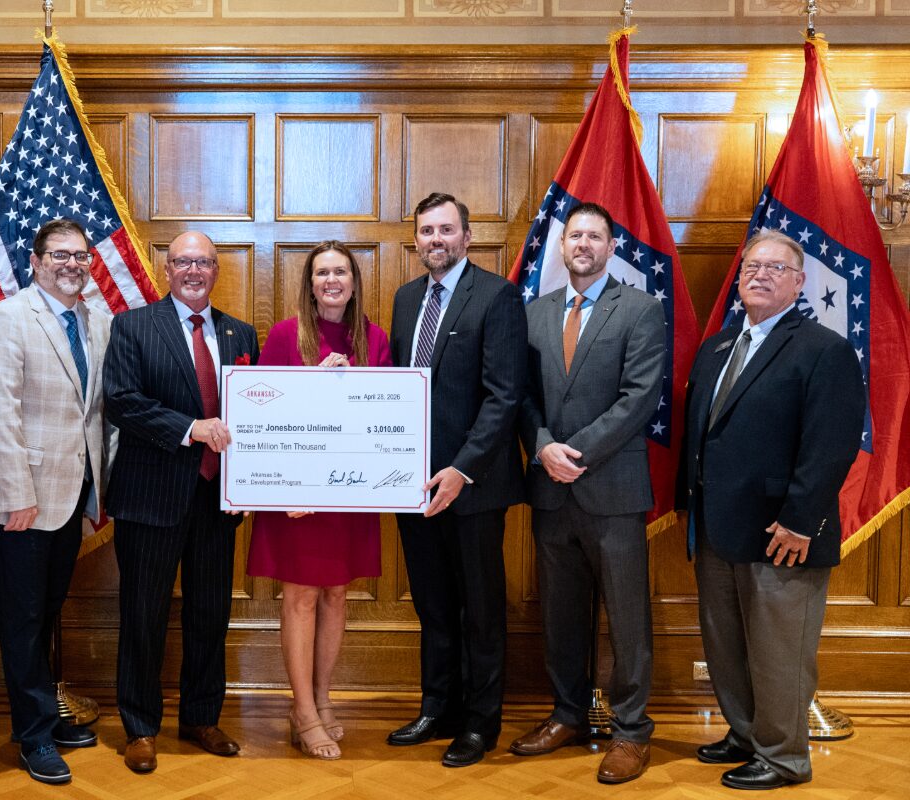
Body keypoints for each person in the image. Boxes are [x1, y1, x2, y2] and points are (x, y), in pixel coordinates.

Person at [678, 229, 864, 791]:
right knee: (727, 647)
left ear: (800, 282)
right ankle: (745, 734)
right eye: (752, 267)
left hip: (784, 532)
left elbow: (831, 443)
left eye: (775, 268)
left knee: (780, 652)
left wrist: (803, 520)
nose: (759, 275)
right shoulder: (716, 348)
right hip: (716, 528)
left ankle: (784, 757)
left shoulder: (823, 349)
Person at [511, 202, 665, 784]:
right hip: (550, 490)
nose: (583, 244)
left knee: (628, 618)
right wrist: (543, 445)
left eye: (595, 236)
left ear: (611, 246)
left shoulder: (642, 310)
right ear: (562, 245)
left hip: (613, 489)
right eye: (574, 234)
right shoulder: (535, 313)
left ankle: (630, 731)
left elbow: (639, 398)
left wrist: (573, 453)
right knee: (561, 614)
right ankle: (568, 715)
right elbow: (520, 397)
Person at [103, 231, 260, 774]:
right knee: (143, 613)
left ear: (217, 270)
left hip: (218, 499)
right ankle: (140, 726)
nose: (194, 271)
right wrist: (190, 428)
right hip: (150, 497)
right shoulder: (133, 326)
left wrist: (251, 484)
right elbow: (122, 403)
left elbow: (256, 419)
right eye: (183, 262)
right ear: (166, 269)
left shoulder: (241, 333)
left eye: (204, 263)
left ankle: (200, 716)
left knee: (209, 613)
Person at [386, 192, 528, 767]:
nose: (435, 240)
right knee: (433, 604)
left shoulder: (496, 296)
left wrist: (461, 469)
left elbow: (503, 397)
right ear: (416, 239)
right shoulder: (404, 299)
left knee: (481, 608)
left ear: (467, 237)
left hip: (472, 486)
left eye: (446, 230)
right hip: (413, 485)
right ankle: (437, 706)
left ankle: (479, 721)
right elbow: (396, 389)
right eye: (426, 231)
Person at [0, 219, 112, 785]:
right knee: (24, 618)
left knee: (47, 613)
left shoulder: (98, 323)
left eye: (80, 255)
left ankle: (45, 717)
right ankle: (32, 737)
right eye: (59, 255)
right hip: (23, 502)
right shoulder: (7, 319)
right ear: (35, 261)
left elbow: (97, 414)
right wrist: (17, 496)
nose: (71, 264)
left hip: (72, 495)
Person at [246, 241, 392, 760]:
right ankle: (302, 708)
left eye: (341, 272)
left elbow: (387, 418)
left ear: (354, 282)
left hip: (349, 495)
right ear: (309, 284)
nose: (332, 280)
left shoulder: (376, 340)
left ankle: (323, 697)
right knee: (301, 597)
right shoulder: (287, 335)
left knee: (336, 595)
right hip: (298, 497)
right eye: (322, 272)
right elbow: (262, 416)